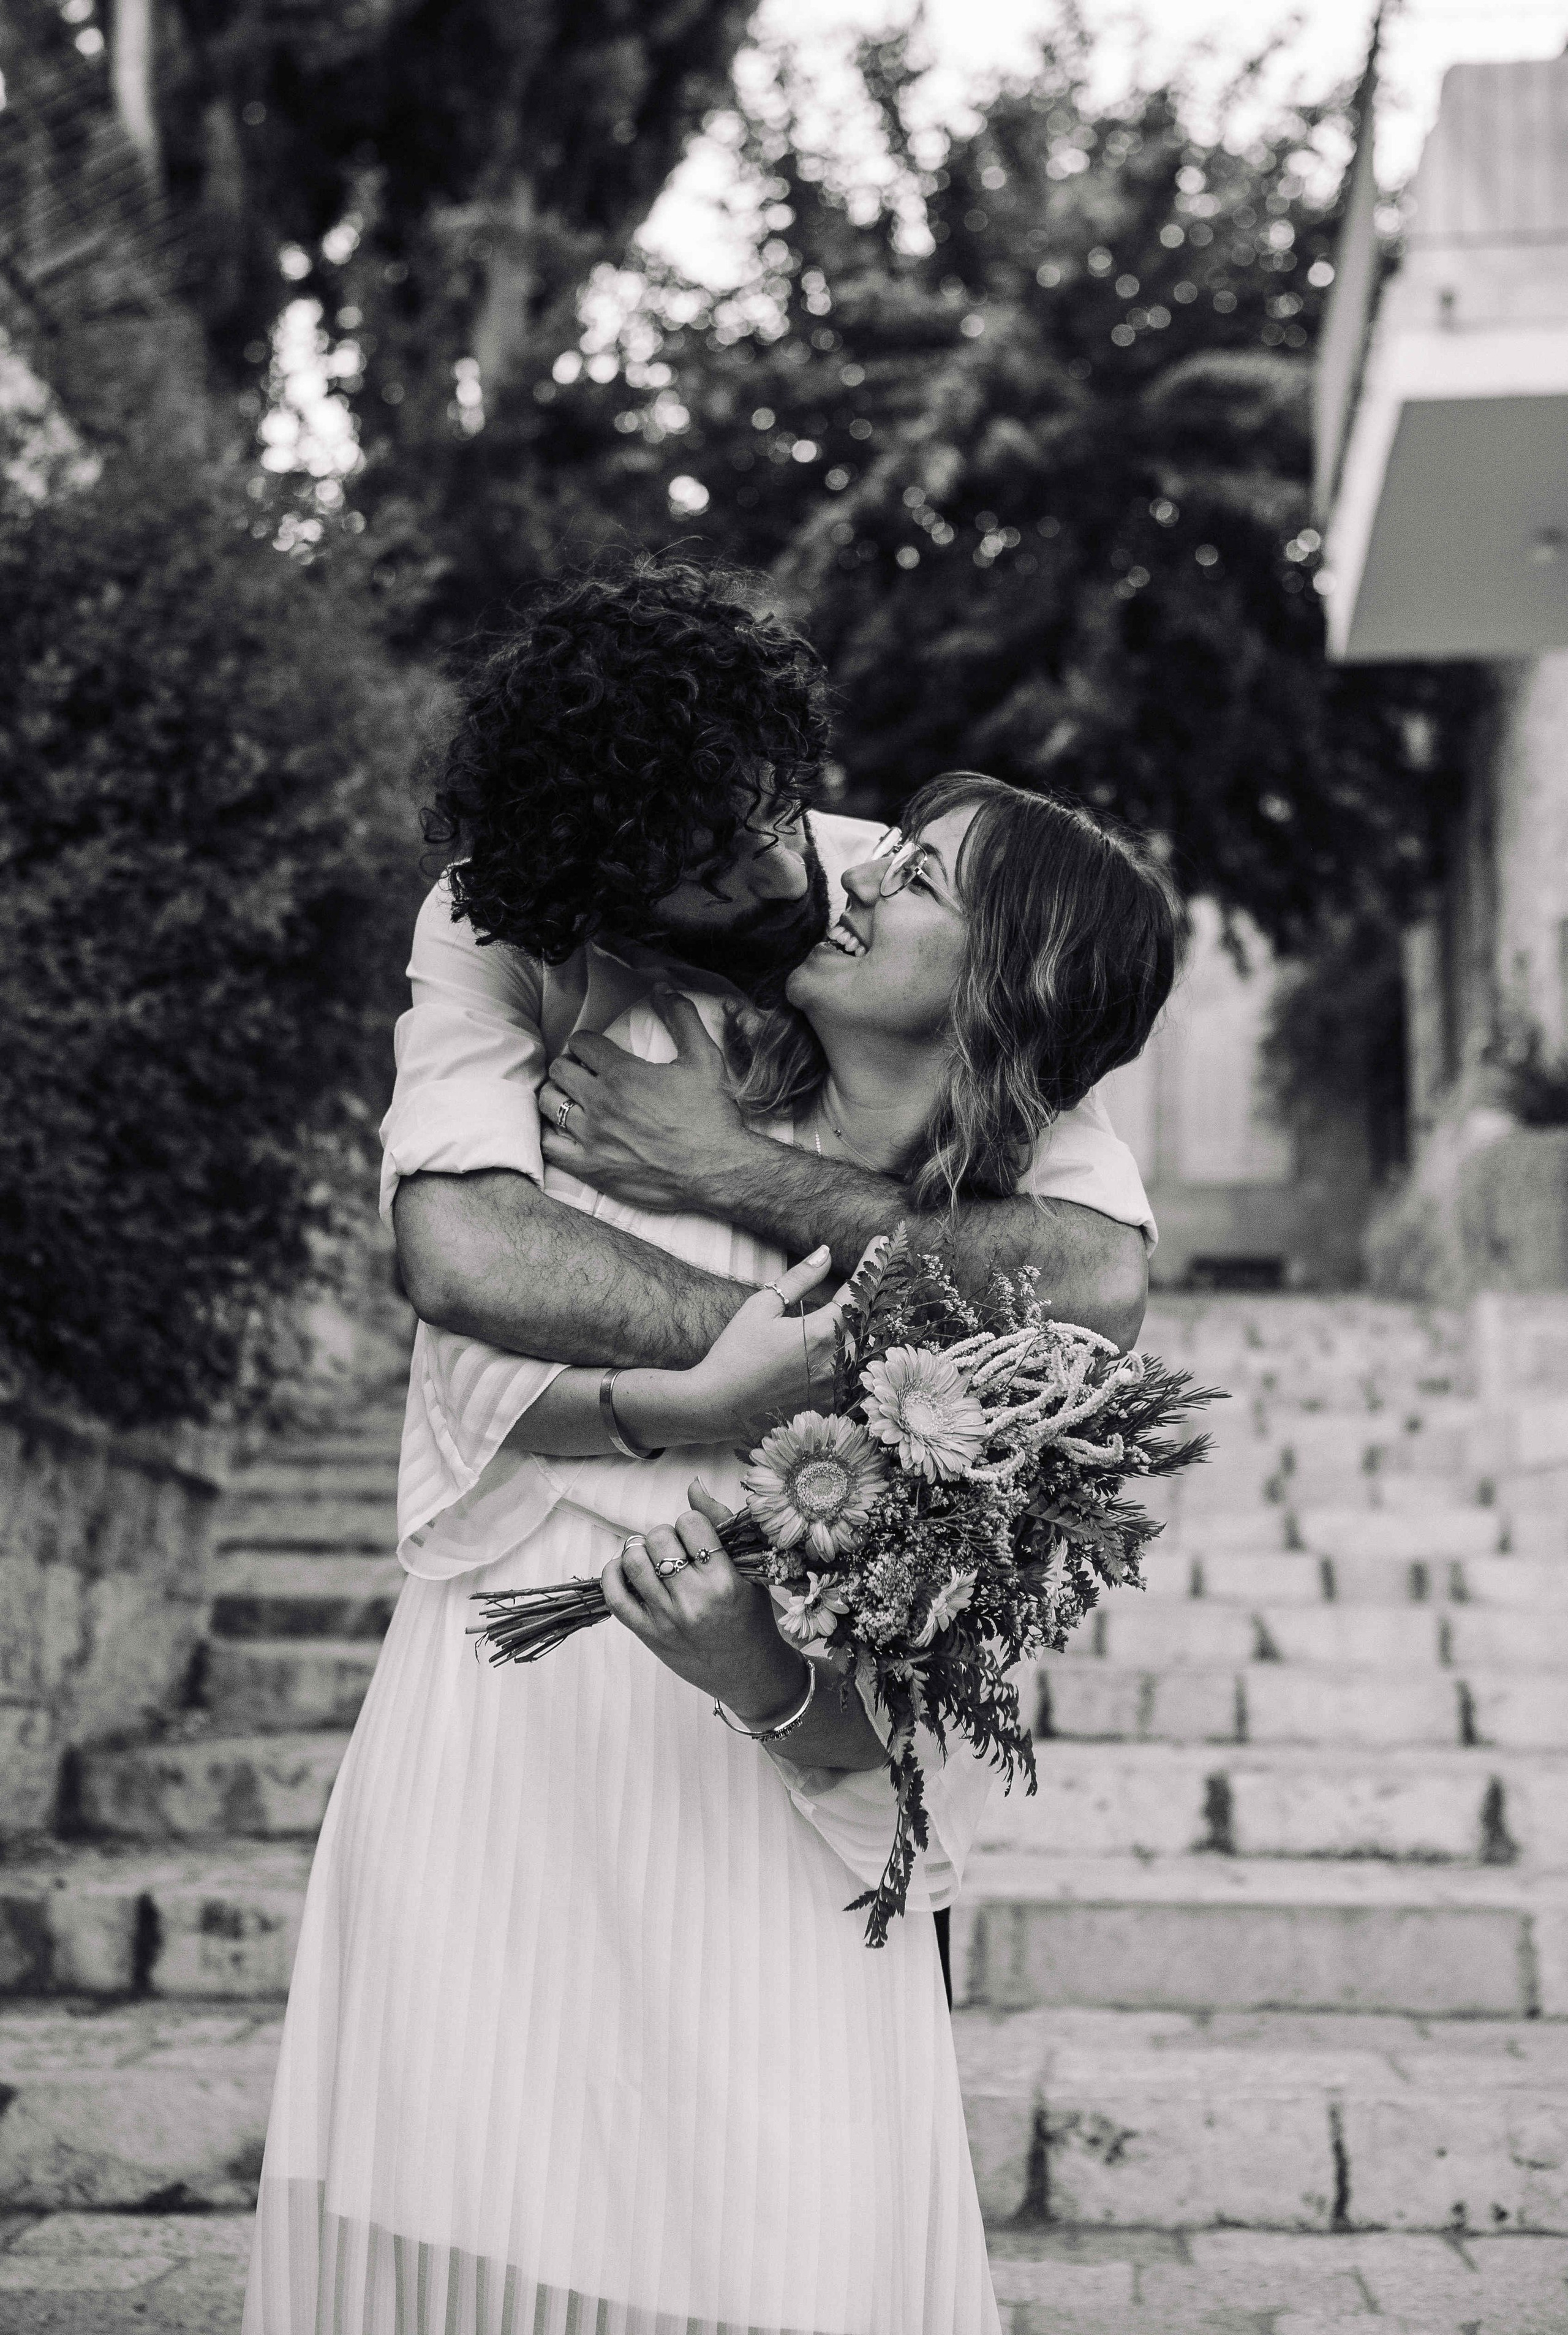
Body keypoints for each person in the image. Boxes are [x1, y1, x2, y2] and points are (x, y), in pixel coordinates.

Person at [244, 744, 1182, 2335]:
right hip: (497, 1761)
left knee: (766, 2249)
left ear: (1005, 986)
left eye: (921, 878)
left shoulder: (1016, 1328)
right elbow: (464, 1350)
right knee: (456, 2235)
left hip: (749, 1843)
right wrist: (701, 1396)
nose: (855, 869)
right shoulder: (637, 1053)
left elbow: (921, 1767)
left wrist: (755, 1664)